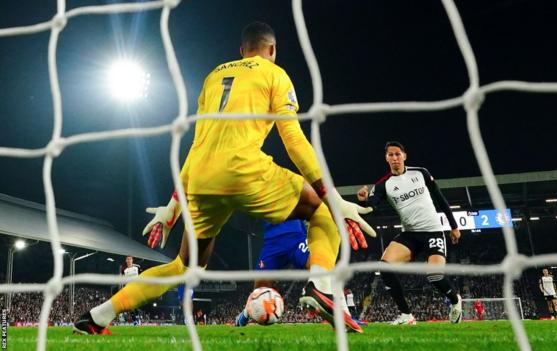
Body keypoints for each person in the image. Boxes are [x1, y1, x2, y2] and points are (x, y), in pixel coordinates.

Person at [73, 21, 375, 335]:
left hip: (202, 179)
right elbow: (294, 140)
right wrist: (335, 197)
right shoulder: (275, 73)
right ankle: (321, 286)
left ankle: (96, 317)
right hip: (244, 169)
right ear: (271, 49)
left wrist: (171, 208)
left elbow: (197, 144)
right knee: (322, 209)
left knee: (183, 267)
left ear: (242, 50)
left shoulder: (213, 77)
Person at [356, 141, 462, 325]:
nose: (395, 158)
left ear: (404, 156)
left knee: (434, 275)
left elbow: (439, 198)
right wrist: (364, 202)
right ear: (386, 158)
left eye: (398, 154)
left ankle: (455, 300)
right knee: (385, 267)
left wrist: (454, 226)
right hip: (410, 235)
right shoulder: (383, 185)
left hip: (433, 232)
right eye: (391, 155)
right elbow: (372, 209)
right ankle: (406, 315)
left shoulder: (421, 173)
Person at [235, 219, 309, 326]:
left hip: (295, 236)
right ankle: (247, 312)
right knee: (259, 290)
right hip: (272, 241)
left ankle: (339, 309)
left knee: (319, 265)